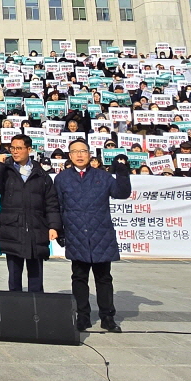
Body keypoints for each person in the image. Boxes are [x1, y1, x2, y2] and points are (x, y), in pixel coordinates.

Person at [54, 142, 133, 332]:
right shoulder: (62, 179)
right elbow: (57, 206)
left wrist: (122, 172)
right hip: (76, 234)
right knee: (79, 277)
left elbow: (122, 193)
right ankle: (83, 316)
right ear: (69, 156)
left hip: (101, 235)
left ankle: (107, 317)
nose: (79, 155)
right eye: (75, 152)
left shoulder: (102, 176)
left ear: (90, 154)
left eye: (83, 151)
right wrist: (59, 230)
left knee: (104, 278)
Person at [0, 134, 61, 293]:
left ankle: (36, 312)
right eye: (12, 148)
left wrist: (54, 226)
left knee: (36, 277)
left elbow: (52, 203)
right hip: (12, 230)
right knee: (14, 277)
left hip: (36, 230)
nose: (15, 151)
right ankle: (16, 313)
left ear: (29, 149)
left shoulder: (42, 174)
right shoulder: (5, 171)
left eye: (19, 148)